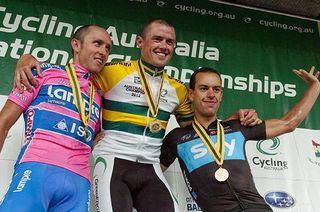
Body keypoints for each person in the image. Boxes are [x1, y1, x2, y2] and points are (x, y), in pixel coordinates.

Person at [13, 19, 261, 212]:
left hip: (151, 169)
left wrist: (233, 120)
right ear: (140, 42)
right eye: (157, 39)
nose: (163, 46)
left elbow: (198, 131)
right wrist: (26, 59)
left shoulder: (177, 88)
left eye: (170, 42)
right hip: (111, 162)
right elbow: (75, 73)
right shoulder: (112, 72)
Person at [160, 66, 320, 212]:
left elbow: (289, 123)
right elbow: (152, 175)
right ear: (190, 94)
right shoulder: (177, 138)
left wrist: (315, 87)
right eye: (203, 88)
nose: (211, 94)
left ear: (221, 95)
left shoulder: (238, 127)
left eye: (216, 89)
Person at [0, 25, 112, 211]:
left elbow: (91, 136)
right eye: (97, 44)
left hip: (79, 182)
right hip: (37, 168)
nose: (103, 51)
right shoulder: (41, 72)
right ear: (76, 45)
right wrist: (25, 58)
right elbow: (3, 122)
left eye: (107, 48)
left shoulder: (99, 96)